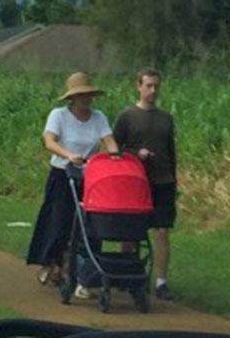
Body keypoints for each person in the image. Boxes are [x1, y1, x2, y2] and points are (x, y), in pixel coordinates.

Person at [26, 71, 119, 299]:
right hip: (63, 173)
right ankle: (50, 261)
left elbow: (109, 142)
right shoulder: (58, 116)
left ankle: (83, 271)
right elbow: (49, 141)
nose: (86, 99)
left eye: (89, 95)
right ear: (72, 98)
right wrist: (69, 154)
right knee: (59, 221)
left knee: (89, 224)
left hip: (89, 176)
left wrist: (115, 158)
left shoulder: (98, 118)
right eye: (82, 96)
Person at [113, 67, 177, 301]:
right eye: (148, 85)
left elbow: (171, 152)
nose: (153, 90)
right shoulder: (127, 116)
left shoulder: (166, 118)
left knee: (162, 231)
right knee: (130, 232)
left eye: (156, 86)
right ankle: (127, 274)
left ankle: (161, 282)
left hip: (163, 181)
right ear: (138, 86)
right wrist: (134, 152)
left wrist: (174, 179)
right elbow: (113, 148)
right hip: (135, 181)